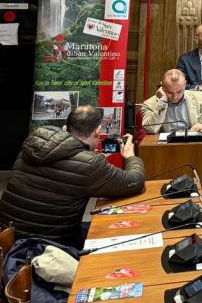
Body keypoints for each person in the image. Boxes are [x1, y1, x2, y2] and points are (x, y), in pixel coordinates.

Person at [0, 105, 145, 247]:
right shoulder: (90, 165)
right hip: (52, 246)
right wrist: (130, 156)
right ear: (97, 131)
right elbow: (135, 181)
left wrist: (89, 161)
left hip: (9, 239)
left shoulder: (31, 147)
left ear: (65, 128)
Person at [141, 69, 202, 133]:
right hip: (165, 148)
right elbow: (151, 129)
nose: (175, 96)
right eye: (170, 92)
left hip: (193, 145)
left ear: (185, 84)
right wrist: (162, 101)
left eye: (179, 91)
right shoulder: (149, 103)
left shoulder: (201, 98)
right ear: (162, 86)